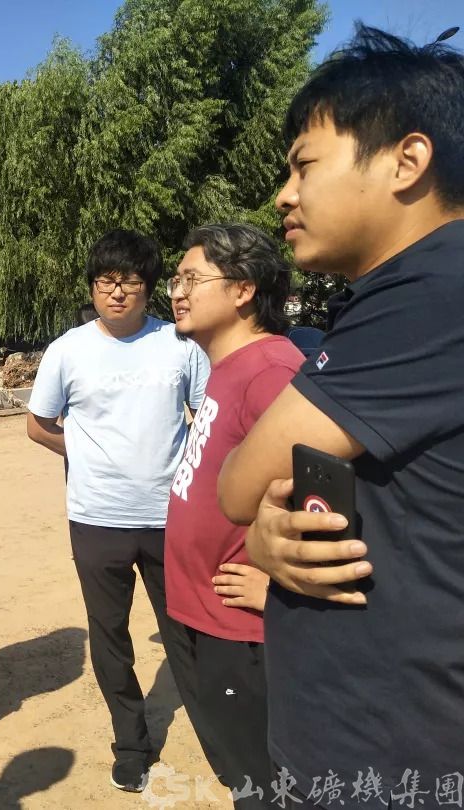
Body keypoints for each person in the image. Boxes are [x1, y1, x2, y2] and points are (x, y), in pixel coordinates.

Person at [216, 26, 464, 807]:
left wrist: (255, 511)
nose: (284, 195)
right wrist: (269, 535)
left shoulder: (429, 296)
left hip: (394, 761)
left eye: (304, 166)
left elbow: (238, 483)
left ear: (406, 161)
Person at [26, 229, 209, 793]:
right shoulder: (68, 350)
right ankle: (131, 745)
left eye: (129, 281)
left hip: (169, 518)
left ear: (149, 288)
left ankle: (220, 735)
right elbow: (38, 424)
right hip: (97, 518)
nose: (117, 291)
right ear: (92, 286)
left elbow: (206, 418)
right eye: (106, 281)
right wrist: (82, 454)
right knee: (110, 638)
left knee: (187, 633)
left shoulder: (180, 344)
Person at [163, 223, 303, 808]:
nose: (178, 292)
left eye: (192, 279)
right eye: (176, 280)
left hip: (242, 630)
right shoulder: (227, 367)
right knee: (242, 776)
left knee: (266, 787)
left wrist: (280, 590)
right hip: (202, 615)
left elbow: (326, 500)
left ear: (243, 289)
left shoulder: (271, 371)